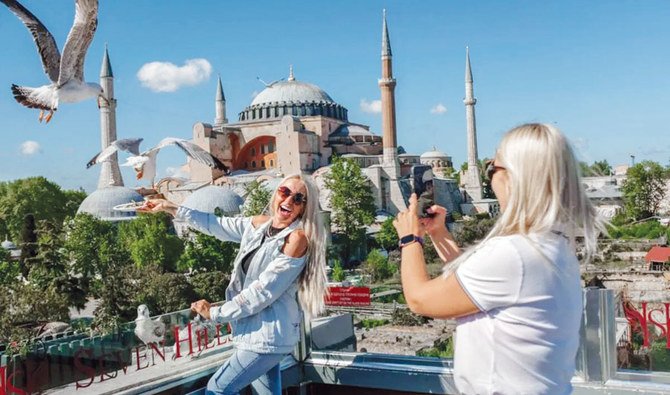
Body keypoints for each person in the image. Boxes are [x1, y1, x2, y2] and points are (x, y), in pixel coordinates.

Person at [393, 123, 603, 394]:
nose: (490, 177)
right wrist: (439, 233)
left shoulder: (514, 254)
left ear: (515, 177)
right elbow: (475, 286)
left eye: (492, 168)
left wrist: (410, 240)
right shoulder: (549, 246)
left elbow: (420, 299)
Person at [139, 174, 327, 395]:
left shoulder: (296, 239)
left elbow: (262, 291)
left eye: (298, 198)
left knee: (217, 389)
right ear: (276, 193)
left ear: (305, 207)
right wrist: (171, 207)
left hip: (267, 338)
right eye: (284, 192)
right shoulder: (259, 225)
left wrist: (216, 313)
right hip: (257, 334)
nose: (288, 201)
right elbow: (216, 225)